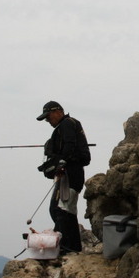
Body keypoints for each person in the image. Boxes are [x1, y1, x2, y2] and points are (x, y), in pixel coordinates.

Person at [36, 101, 91, 254]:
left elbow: (70, 144)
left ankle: (69, 247)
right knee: (61, 209)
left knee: (62, 209)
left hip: (71, 173)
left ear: (58, 111)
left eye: (48, 117)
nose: (48, 120)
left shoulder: (67, 123)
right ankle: (68, 245)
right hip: (70, 172)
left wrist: (60, 163)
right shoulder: (69, 124)